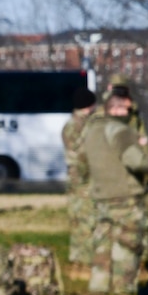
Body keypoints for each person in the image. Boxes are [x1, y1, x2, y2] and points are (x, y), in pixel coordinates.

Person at [74, 80, 148, 295]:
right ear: (116, 109)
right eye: (129, 110)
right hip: (125, 199)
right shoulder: (121, 130)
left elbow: (82, 165)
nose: (130, 114)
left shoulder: (91, 130)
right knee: (127, 250)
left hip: (102, 199)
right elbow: (135, 161)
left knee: (102, 253)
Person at [62, 89, 100, 275]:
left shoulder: (70, 124)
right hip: (85, 179)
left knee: (77, 221)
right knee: (86, 221)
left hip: (74, 179)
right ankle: (84, 264)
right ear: (89, 105)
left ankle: (76, 261)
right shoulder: (85, 126)